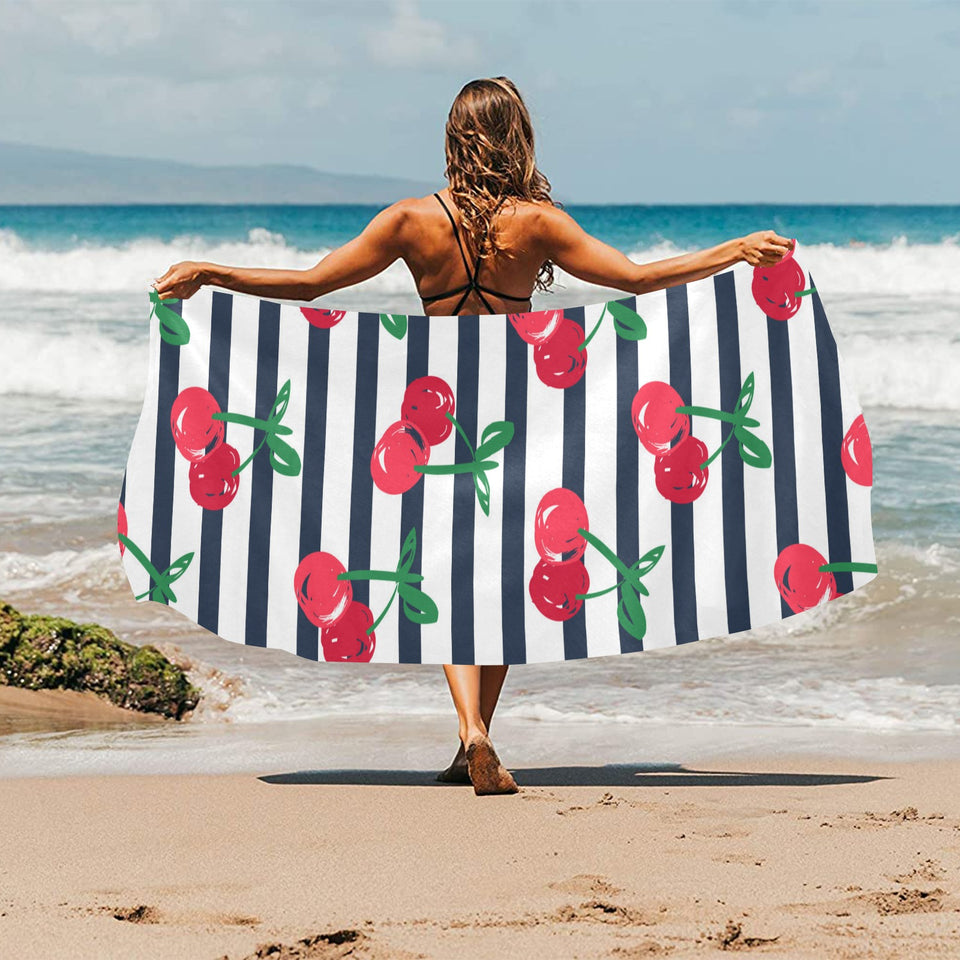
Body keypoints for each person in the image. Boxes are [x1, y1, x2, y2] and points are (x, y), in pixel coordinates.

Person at [153, 76, 794, 796]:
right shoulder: (538, 223)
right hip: (517, 413)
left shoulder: (407, 220)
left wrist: (211, 272)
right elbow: (638, 281)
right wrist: (735, 250)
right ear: (517, 136)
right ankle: (477, 734)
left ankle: (471, 736)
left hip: (435, 412)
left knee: (451, 578)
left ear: (455, 137)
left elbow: (310, 286)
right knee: (500, 579)